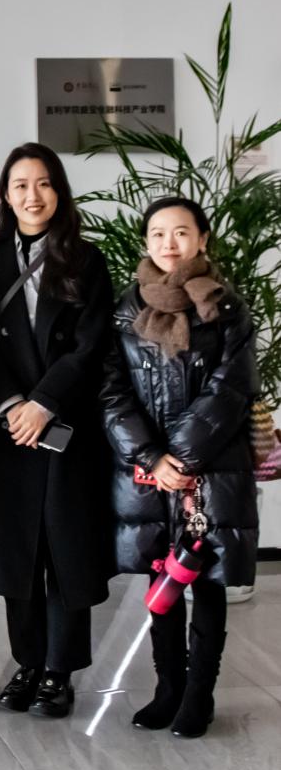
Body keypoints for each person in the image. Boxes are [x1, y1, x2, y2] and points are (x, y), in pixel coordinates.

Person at [101, 195, 259, 739]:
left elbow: (232, 389)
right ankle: (167, 687)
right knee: (161, 580)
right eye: (158, 234)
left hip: (211, 472)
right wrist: (152, 457)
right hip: (150, 473)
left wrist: (184, 459)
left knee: (207, 581)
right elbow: (111, 391)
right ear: (146, 242)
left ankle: (199, 695)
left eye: (181, 233)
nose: (169, 243)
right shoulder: (125, 310)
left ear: (202, 239)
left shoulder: (228, 308)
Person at [0, 143, 114, 718]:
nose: (33, 196)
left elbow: (91, 345)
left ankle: (60, 671)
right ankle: (28, 663)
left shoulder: (86, 259)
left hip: (66, 426)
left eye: (44, 183)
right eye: (21, 185)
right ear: (5, 195)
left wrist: (44, 403)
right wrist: (13, 406)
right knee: (18, 553)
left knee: (65, 550)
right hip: (8, 431)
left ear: (59, 191)